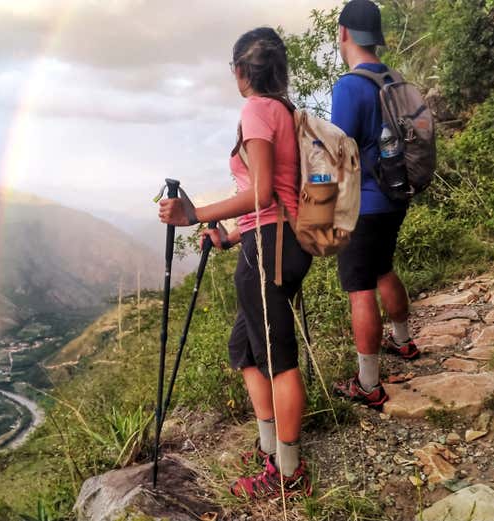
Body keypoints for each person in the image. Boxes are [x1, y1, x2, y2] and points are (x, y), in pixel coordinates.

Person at [158, 27, 312, 499]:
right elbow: (274, 193)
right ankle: (271, 450)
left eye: (232, 69)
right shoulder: (283, 110)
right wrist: (229, 236)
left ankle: (288, 473)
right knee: (246, 349)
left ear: (242, 71)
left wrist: (194, 214)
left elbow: (263, 193)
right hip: (267, 240)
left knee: (279, 359)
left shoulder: (257, 110)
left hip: (272, 245)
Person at [330, 0, 419, 410]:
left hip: (364, 204)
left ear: (343, 33)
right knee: (384, 268)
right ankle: (402, 341)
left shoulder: (349, 86)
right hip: (397, 195)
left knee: (360, 287)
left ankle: (368, 384)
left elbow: (338, 151)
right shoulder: (392, 78)